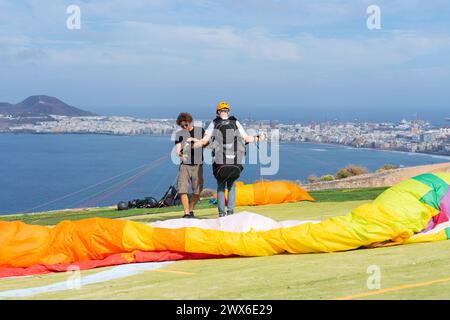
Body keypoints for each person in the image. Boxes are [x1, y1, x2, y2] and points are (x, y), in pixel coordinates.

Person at [195, 102, 264, 217]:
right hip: (235, 161)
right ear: (228, 111)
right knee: (231, 185)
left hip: (220, 162)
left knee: (221, 187)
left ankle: (222, 214)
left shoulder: (214, 123)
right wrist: (259, 138)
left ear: (218, 112)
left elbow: (204, 141)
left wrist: (192, 146)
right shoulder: (235, 122)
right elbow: (247, 138)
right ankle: (230, 211)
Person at [174, 112, 205, 218]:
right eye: (182, 126)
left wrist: (193, 140)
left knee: (197, 190)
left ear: (190, 122)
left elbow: (206, 143)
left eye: (186, 125)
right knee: (182, 189)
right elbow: (178, 150)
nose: (184, 127)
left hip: (197, 164)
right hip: (185, 165)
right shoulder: (179, 134)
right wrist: (181, 155)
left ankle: (191, 210)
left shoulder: (199, 130)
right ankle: (186, 213)